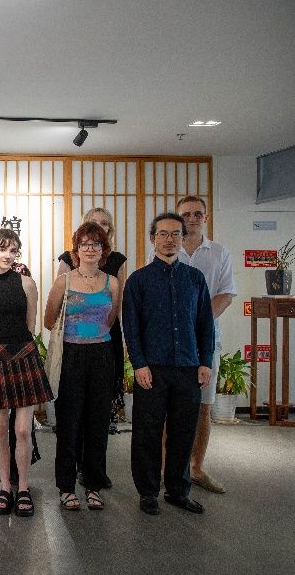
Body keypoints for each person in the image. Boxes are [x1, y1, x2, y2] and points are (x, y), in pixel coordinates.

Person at [123, 213, 214, 516]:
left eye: (176, 234)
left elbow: (205, 325)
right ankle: (148, 491)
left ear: (183, 239)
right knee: (147, 432)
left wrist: (205, 362)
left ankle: (178, 490)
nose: (169, 239)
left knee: (183, 432)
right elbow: (131, 327)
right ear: (153, 239)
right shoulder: (138, 280)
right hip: (152, 369)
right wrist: (138, 364)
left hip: (188, 367)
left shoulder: (195, 279)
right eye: (162, 234)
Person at [0, 229, 52, 517]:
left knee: (23, 429)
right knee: (0, 428)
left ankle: (24, 487)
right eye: (2, 249)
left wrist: (19, 349)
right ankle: (5, 487)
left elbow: (30, 324)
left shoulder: (27, 283)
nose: (8, 255)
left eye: (13, 250)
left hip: (23, 356)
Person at [45, 222, 120, 511]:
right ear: (76, 249)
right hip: (71, 355)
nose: (90, 249)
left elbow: (111, 320)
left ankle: (93, 485)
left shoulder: (112, 283)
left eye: (96, 244)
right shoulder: (63, 281)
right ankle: (66, 487)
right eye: (84, 244)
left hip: (102, 355)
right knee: (69, 422)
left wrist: (94, 335)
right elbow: (49, 320)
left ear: (103, 250)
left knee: (98, 423)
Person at [57, 207, 127, 489]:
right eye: (93, 223)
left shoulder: (117, 263)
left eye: (104, 224)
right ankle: (71, 472)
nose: (99, 227)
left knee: (99, 413)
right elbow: (55, 314)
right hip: (72, 345)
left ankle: (94, 472)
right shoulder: (67, 261)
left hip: (105, 343)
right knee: (72, 412)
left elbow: (116, 313)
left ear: (109, 233)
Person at [175, 196, 236, 494]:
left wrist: (199, 321)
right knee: (171, 408)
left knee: (203, 407)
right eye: (186, 214)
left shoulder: (219, 253)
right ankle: (168, 468)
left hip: (206, 340)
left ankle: (197, 468)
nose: (192, 218)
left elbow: (226, 293)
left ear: (206, 217)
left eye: (198, 213)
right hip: (173, 342)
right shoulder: (165, 249)